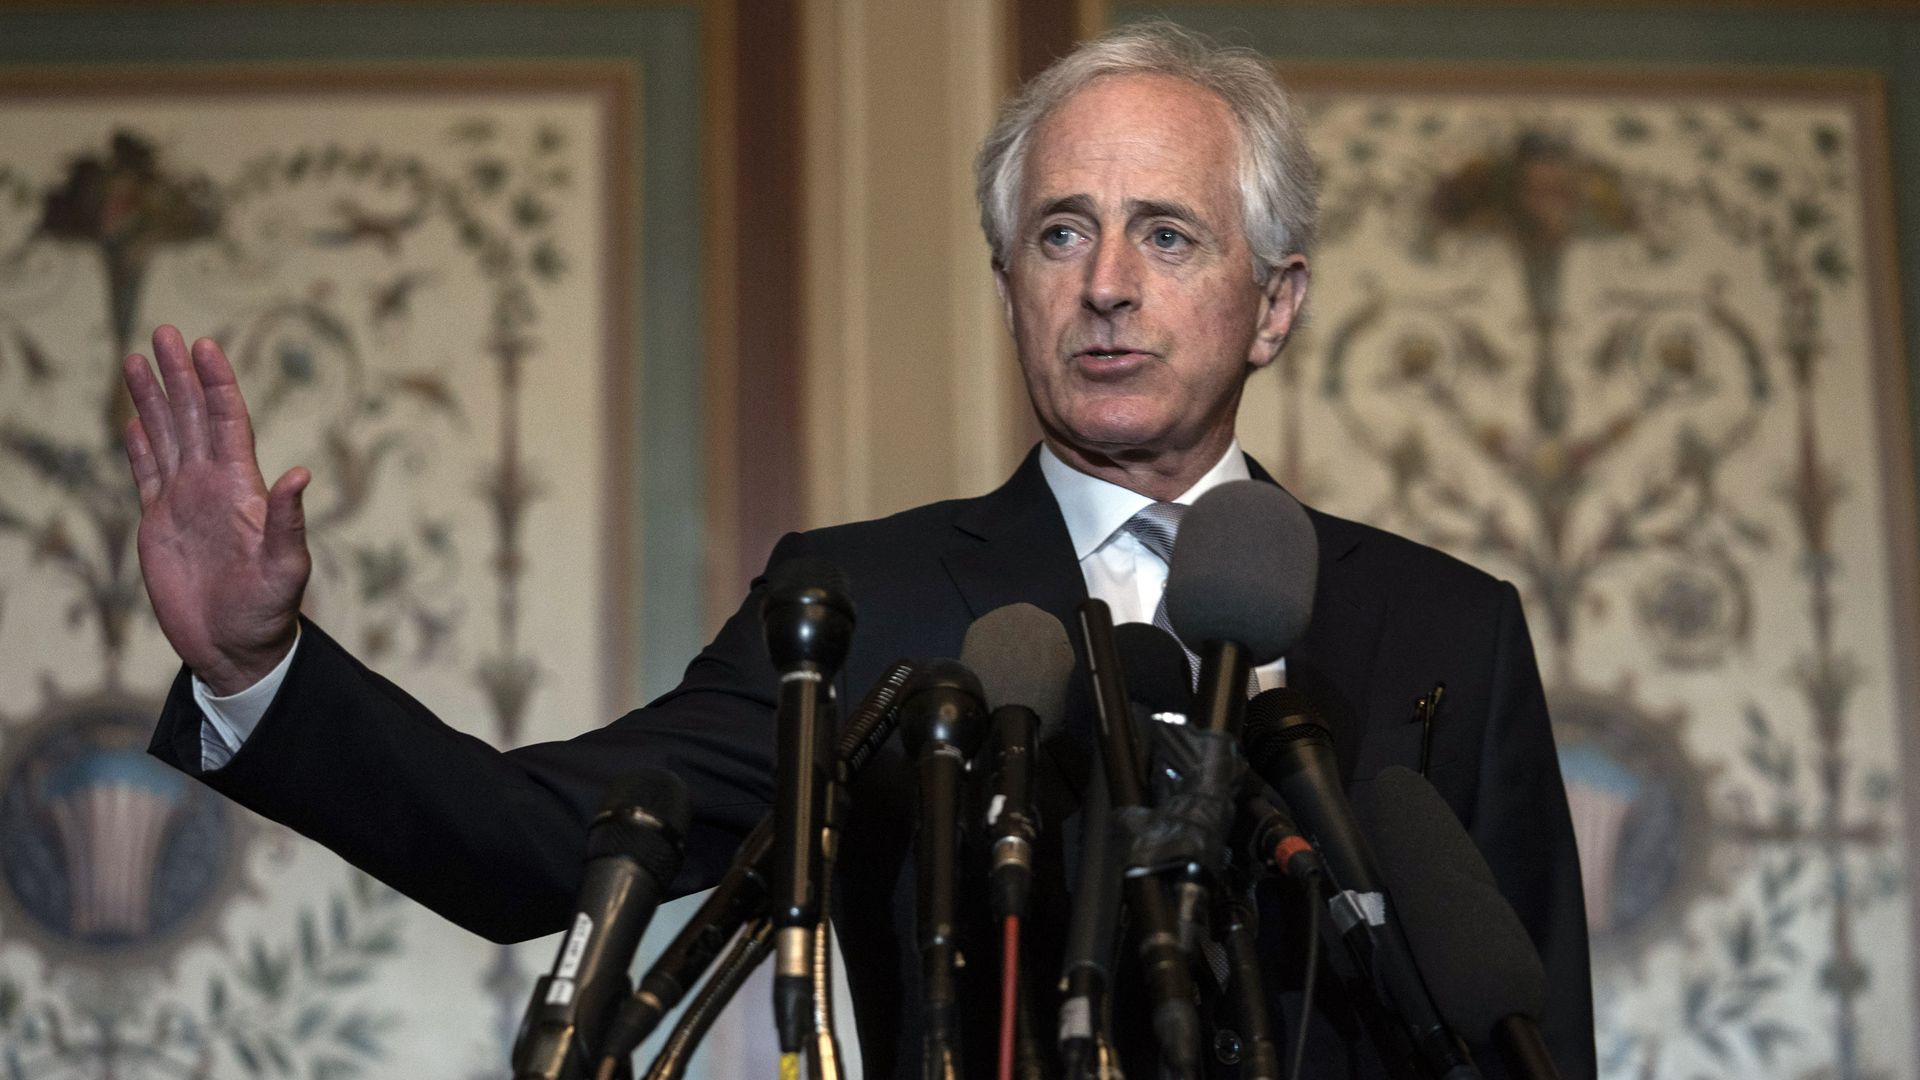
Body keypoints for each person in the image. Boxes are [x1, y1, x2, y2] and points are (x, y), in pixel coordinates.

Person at [124, 21, 1594, 1079]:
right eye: (1062, 235)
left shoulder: (1443, 631)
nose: (1105, 290)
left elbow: (1536, 1035)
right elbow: (537, 850)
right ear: (1007, 281)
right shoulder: (865, 601)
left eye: (1168, 237)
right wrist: (264, 672)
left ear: (1274, 306)